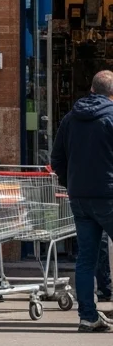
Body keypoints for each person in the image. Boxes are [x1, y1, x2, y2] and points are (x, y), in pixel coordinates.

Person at [52, 68, 113, 332]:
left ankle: (87, 315)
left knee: (85, 258)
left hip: (79, 197)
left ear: (91, 89)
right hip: (108, 195)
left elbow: (57, 159)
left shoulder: (70, 119)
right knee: (89, 256)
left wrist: (71, 183)